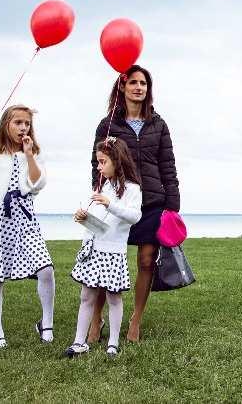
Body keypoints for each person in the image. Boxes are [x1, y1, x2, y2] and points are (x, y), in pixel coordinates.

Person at [87, 64, 180, 343]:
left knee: (146, 260)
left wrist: (172, 205)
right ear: (123, 87)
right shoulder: (108, 124)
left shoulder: (159, 124)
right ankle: (96, 319)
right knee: (105, 261)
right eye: (134, 83)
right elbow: (97, 164)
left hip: (151, 202)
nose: (139, 87)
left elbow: (168, 165)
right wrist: (98, 195)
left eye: (144, 83)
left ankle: (136, 320)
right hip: (116, 201)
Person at [0, 105, 55, 349]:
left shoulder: (34, 153)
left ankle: (46, 324)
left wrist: (29, 155)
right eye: (18, 123)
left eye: (27, 123)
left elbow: (37, 184)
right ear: (6, 125)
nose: (23, 128)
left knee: (46, 269)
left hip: (25, 218)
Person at [65, 137, 142, 358]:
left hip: (113, 252)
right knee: (86, 296)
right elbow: (98, 220)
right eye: (98, 162)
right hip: (93, 249)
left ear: (117, 160)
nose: (98, 167)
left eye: (102, 162)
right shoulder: (103, 185)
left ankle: (113, 342)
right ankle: (79, 342)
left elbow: (134, 216)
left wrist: (111, 204)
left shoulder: (132, 189)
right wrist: (83, 216)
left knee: (114, 297)